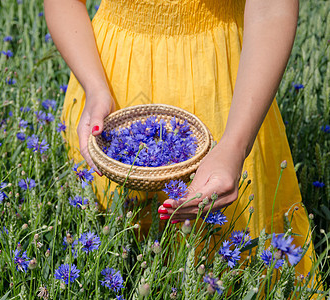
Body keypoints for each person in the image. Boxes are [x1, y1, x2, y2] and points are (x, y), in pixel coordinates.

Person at [44, 0, 314, 274]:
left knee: (228, 259)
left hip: (227, 98)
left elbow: (271, 9)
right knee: (113, 250)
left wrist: (234, 145)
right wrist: (94, 87)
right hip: (110, 90)